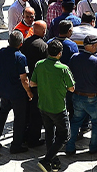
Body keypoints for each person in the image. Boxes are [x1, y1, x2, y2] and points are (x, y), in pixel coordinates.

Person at [31, 39, 75, 172]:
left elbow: (32, 83)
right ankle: (47, 160)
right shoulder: (63, 69)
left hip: (43, 105)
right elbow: (72, 88)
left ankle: (54, 162)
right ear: (60, 53)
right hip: (58, 107)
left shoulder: (39, 64)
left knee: (49, 133)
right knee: (65, 135)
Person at [0, 32, 33, 153]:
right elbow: (24, 79)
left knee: (2, 113)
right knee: (19, 119)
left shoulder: (1, 52)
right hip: (18, 93)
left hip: (4, 90)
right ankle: (16, 145)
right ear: (21, 44)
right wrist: (29, 91)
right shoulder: (21, 58)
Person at [65, 34, 97, 156]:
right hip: (92, 98)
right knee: (96, 123)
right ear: (93, 46)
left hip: (77, 96)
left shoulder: (74, 57)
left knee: (75, 121)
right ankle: (94, 147)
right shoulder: (96, 61)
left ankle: (70, 146)